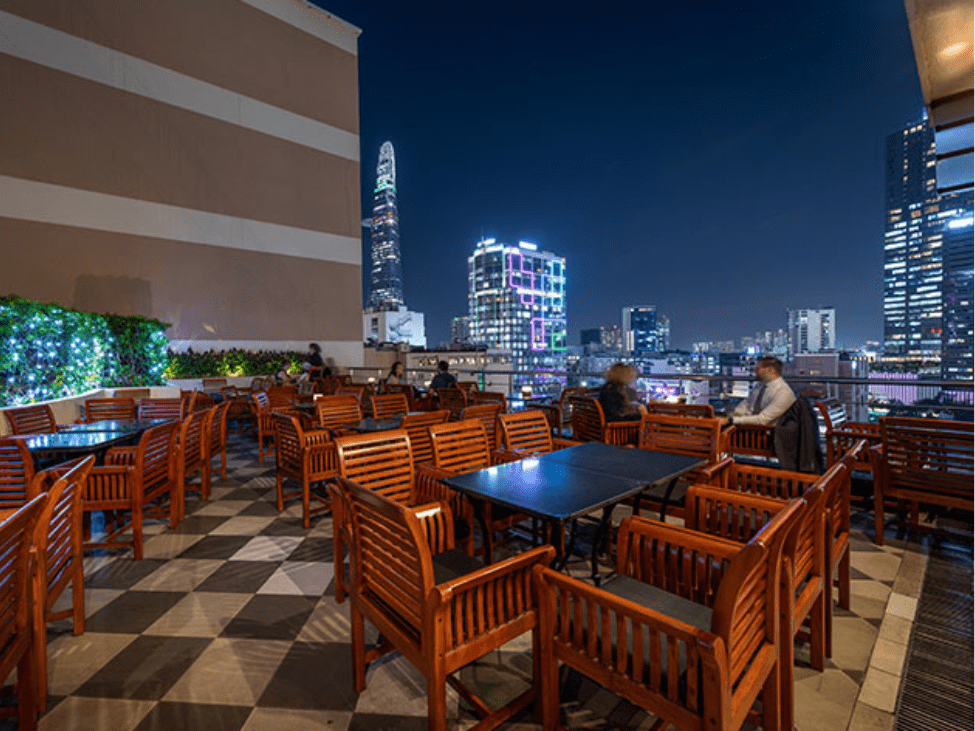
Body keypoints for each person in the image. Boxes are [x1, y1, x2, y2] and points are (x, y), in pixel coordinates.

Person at [726, 356, 795, 426]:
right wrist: (732, 417)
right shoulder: (759, 386)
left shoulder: (783, 392)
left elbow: (762, 420)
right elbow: (746, 404)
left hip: (765, 432)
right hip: (748, 427)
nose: (755, 371)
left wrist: (733, 420)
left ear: (770, 370)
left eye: (758, 368)